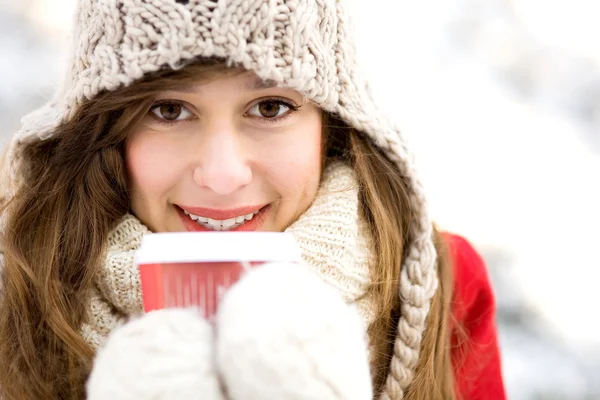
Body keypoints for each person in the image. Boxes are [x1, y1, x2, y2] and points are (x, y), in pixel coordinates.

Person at [0, 1, 506, 399]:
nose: (222, 175)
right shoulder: (16, 295)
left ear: (330, 128)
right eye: (170, 110)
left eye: (270, 107)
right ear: (106, 134)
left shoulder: (441, 285)